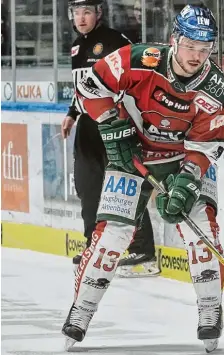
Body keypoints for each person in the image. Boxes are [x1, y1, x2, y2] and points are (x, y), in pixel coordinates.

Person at [62, 4, 224, 353]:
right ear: (175, 40)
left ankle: (210, 310)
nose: (196, 56)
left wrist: (187, 182)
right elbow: (90, 87)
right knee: (112, 236)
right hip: (132, 155)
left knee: (202, 231)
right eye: (189, 46)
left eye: (204, 49)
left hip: (181, 158)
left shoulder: (217, 91)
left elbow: (205, 148)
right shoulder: (140, 59)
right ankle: (81, 311)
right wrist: (112, 124)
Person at [61, 0, 157, 275]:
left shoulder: (115, 41)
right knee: (87, 187)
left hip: (114, 125)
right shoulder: (77, 47)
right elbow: (82, 88)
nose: (81, 17)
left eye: (87, 12)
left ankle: (143, 251)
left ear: (98, 13)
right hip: (87, 128)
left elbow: (137, 77)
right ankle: (94, 245)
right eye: (77, 13)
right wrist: (71, 113)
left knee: (126, 187)